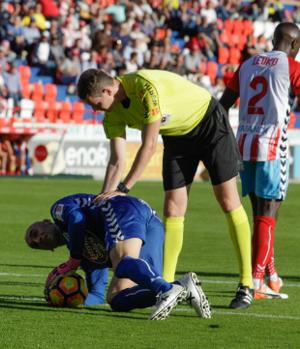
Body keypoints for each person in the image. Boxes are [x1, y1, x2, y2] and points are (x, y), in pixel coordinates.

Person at [76, 68, 253, 309]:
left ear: (107, 90)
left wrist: (124, 188)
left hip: (209, 123)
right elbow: (116, 160)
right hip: (177, 136)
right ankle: (169, 287)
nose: (96, 111)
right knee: (172, 208)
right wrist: (103, 197)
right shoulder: (112, 114)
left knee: (228, 200)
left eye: (96, 104)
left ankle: (246, 283)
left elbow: (148, 146)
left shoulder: (143, 88)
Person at [25, 193, 211, 320]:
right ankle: (181, 287)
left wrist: (73, 259)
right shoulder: (86, 255)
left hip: (121, 209)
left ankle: (165, 288)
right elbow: (96, 294)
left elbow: (77, 219)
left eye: (34, 232)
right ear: (48, 250)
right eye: (35, 245)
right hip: (149, 224)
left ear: (45, 222)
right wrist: (67, 301)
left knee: (122, 263)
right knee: (115, 298)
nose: (38, 239)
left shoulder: (57, 211)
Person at [219, 22, 300, 300]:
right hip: (272, 146)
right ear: (294, 45)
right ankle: (255, 281)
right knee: (269, 213)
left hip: (244, 145)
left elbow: (222, 106)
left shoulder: (247, 64)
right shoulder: (291, 66)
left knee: (260, 215)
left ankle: (271, 274)